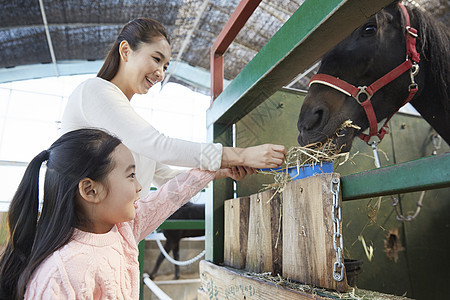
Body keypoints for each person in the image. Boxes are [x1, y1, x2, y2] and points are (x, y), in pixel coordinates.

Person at [61, 17, 286, 196]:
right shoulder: (94, 91)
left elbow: (167, 179)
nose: (161, 73)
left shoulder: (130, 128)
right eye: (156, 59)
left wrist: (222, 170)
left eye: (165, 65)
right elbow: (161, 146)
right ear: (126, 51)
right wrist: (242, 155)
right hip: (83, 237)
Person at [0, 128, 228, 299]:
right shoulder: (59, 274)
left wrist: (213, 171)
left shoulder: (123, 230)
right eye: (130, 175)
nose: (140, 186)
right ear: (91, 190)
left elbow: (167, 197)